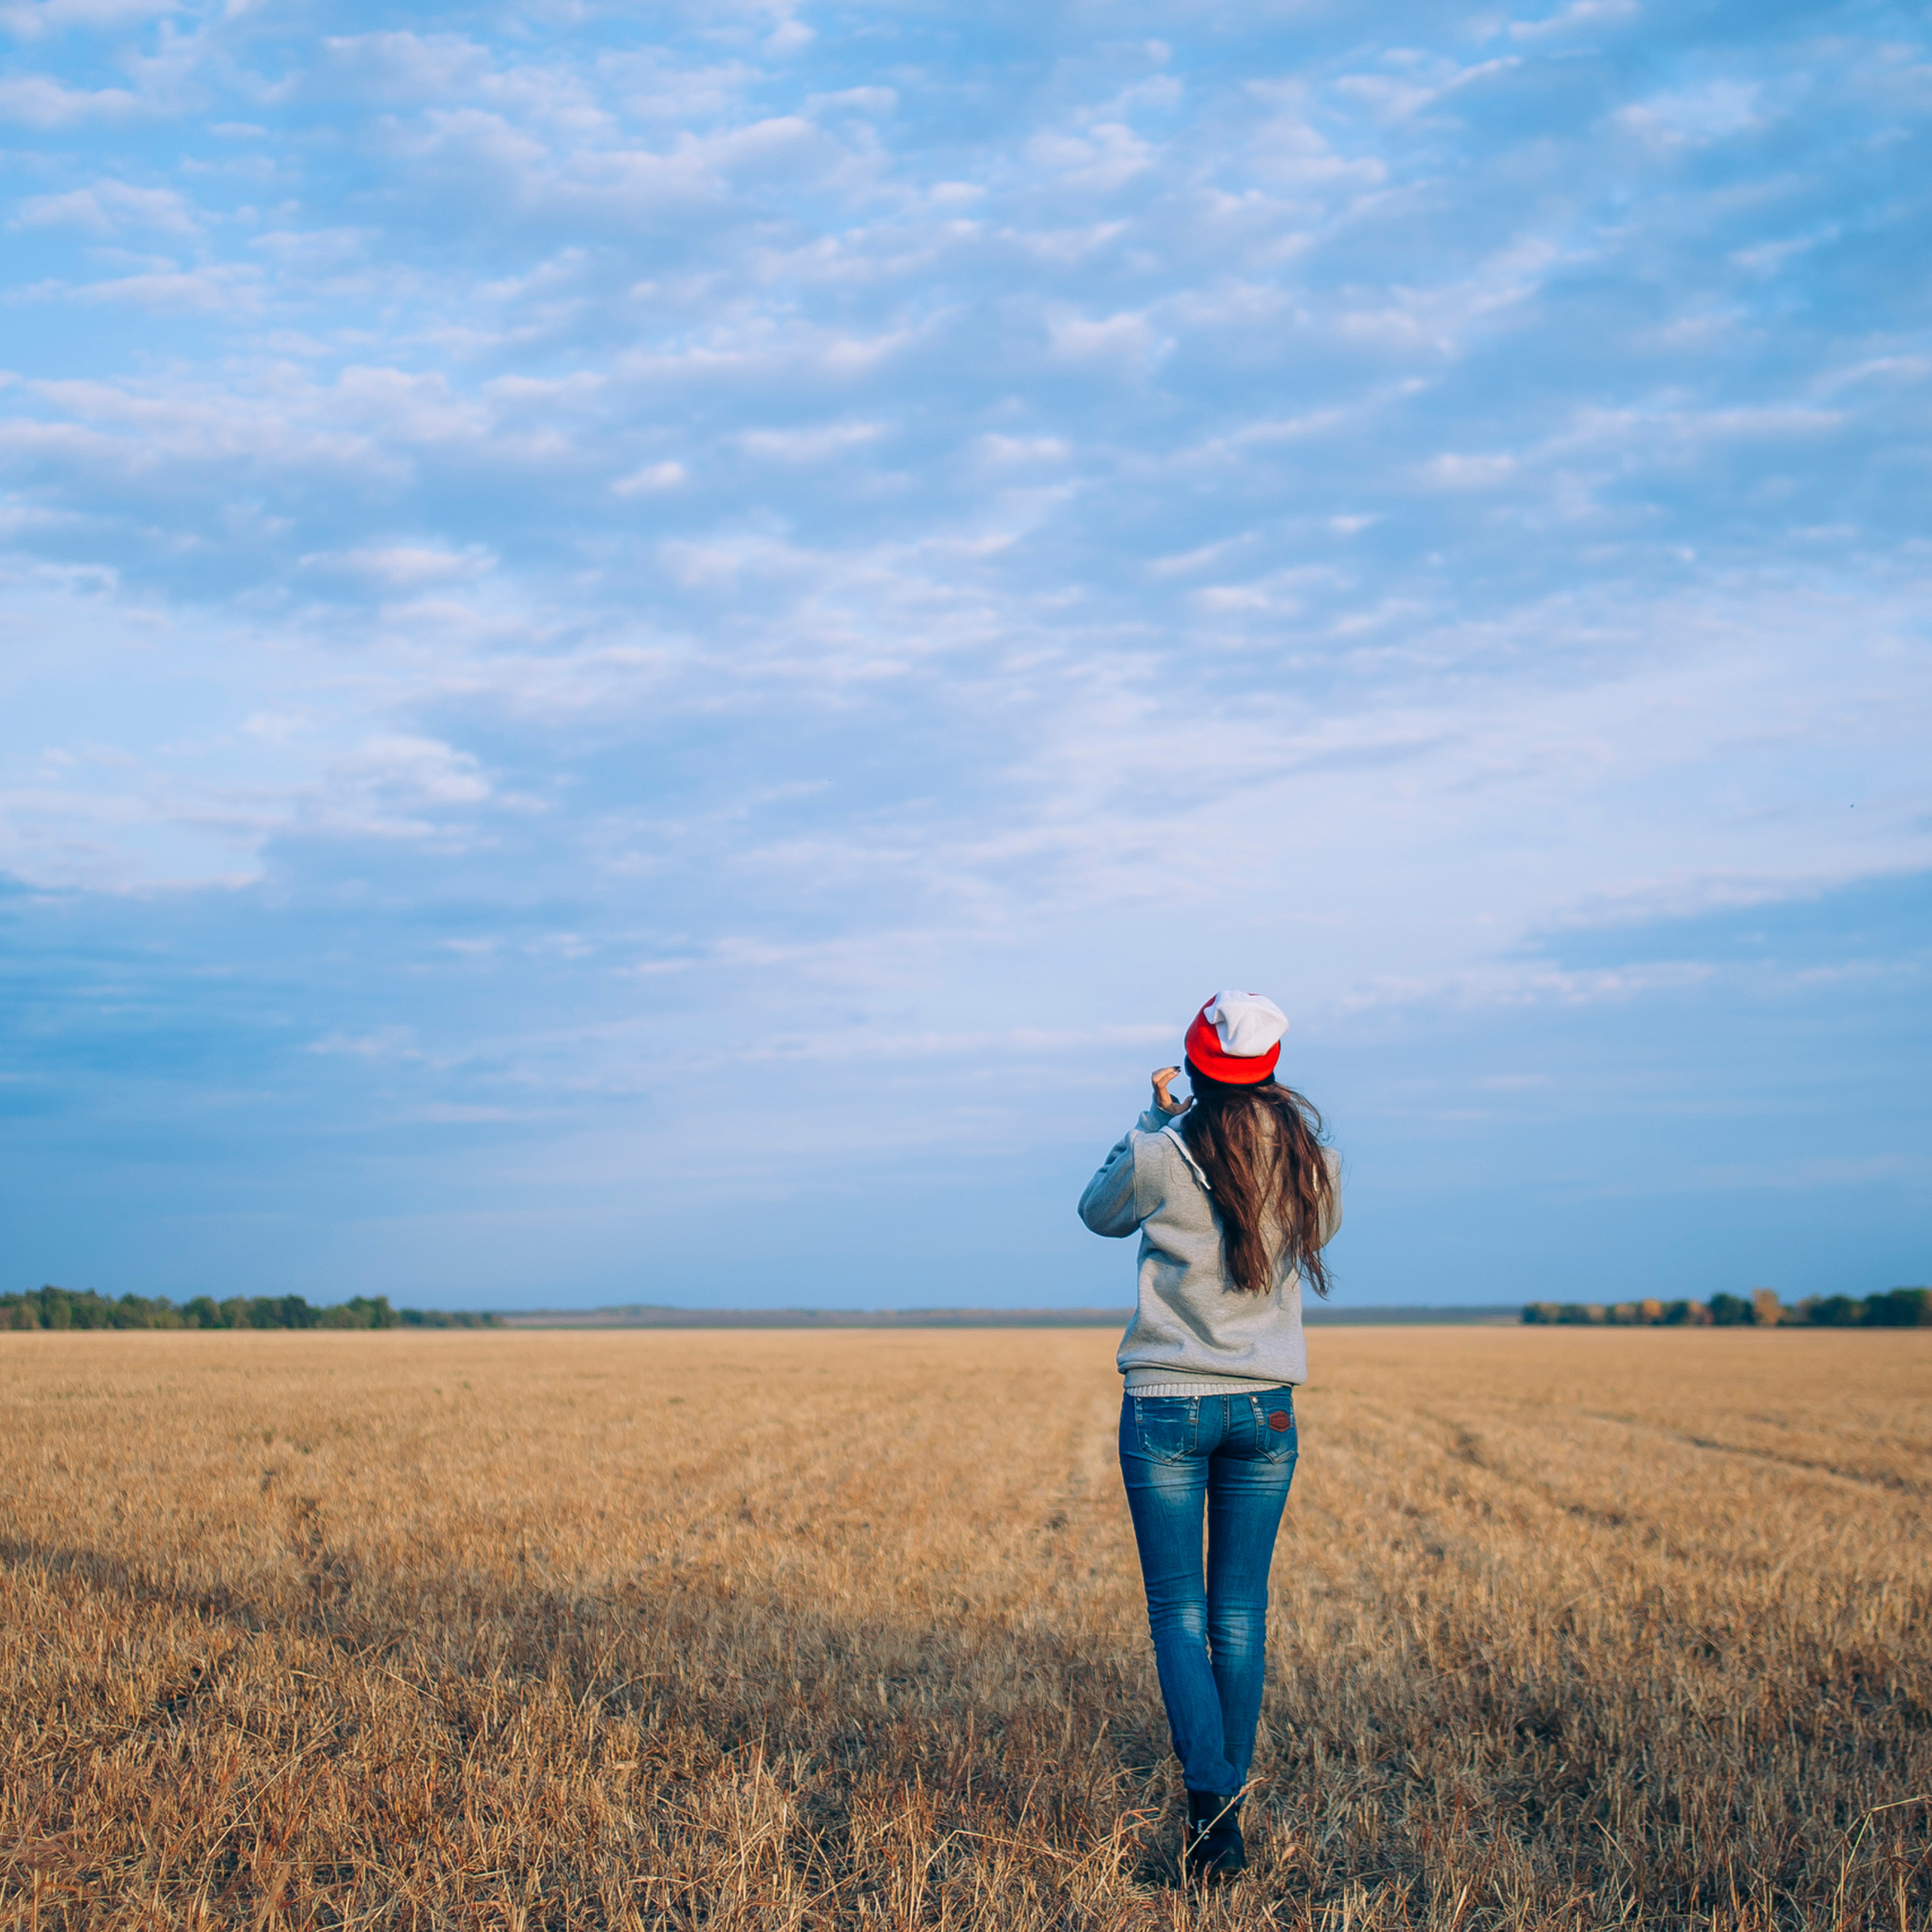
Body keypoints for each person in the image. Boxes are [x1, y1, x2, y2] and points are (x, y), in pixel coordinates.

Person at [1078, 990, 1342, 1886]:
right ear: (1270, 1068)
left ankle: (1211, 1811)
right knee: (1240, 1615)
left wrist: (1154, 1117)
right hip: (1266, 1408)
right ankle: (1224, 1813)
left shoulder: (1161, 1152)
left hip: (1166, 1404)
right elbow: (1317, 1231)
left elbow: (1097, 1211)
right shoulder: (1312, 1160)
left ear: (1194, 1064)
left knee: (1179, 1615)